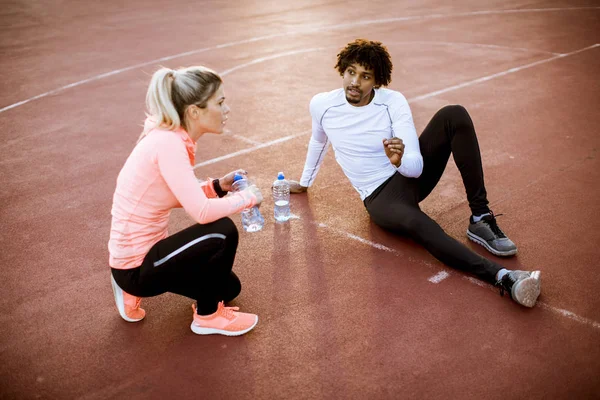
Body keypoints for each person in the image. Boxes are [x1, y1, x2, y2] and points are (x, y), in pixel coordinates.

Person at [289, 39, 541, 307]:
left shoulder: (393, 102)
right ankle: (504, 277)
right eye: (351, 72)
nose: (355, 82)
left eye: (365, 76)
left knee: (453, 114)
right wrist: (305, 182)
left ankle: (480, 217)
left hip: (408, 174)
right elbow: (318, 141)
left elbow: (415, 168)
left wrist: (398, 161)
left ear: (376, 81)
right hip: (380, 198)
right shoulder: (322, 105)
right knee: (421, 224)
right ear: (342, 70)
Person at [108, 66, 262, 336]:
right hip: (136, 267)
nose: (227, 110)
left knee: (228, 289)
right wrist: (246, 199)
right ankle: (207, 317)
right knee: (222, 231)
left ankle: (134, 290)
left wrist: (217, 187)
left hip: (151, 257)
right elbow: (202, 213)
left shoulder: (169, 138)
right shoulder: (168, 144)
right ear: (194, 111)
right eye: (220, 103)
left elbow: (173, 193)